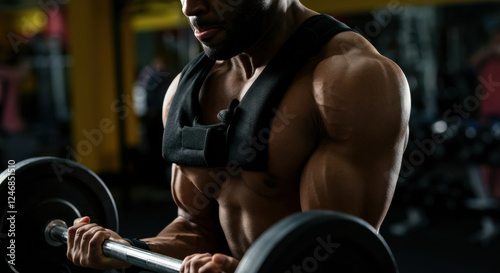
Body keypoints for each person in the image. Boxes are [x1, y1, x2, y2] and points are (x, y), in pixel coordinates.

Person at [66, 1, 411, 272]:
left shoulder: (349, 79)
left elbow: (334, 253)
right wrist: (127, 251)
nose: (190, 8)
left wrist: (246, 269)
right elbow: (195, 228)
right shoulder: (189, 91)